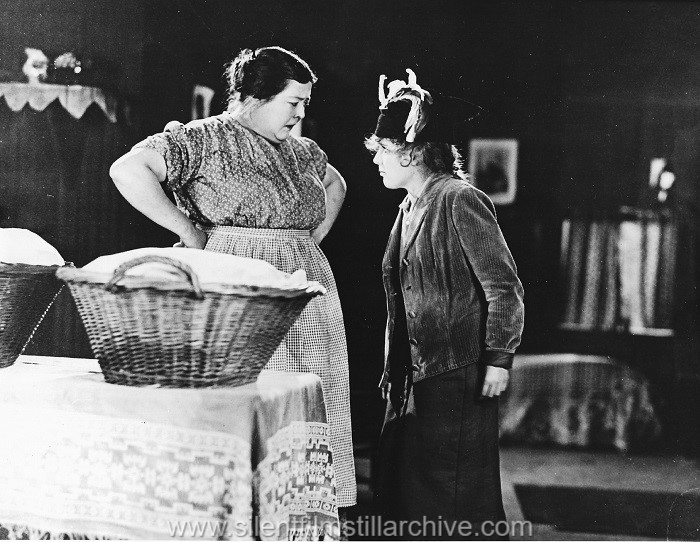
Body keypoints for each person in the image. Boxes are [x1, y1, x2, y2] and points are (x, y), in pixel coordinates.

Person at [109, 46, 356, 513]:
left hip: (307, 302)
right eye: (293, 102)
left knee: (307, 402)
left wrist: (306, 241)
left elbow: (335, 183)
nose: (301, 112)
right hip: (236, 293)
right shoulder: (205, 139)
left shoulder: (303, 152)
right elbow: (128, 169)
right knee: (247, 403)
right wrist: (185, 229)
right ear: (254, 98)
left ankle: (300, 518)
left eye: (305, 102)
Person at [366, 69, 525, 540]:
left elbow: (503, 286)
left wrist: (498, 359)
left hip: (455, 374)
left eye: (383, 152)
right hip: (411, 375)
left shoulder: (458, 199)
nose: (376, 161)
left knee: (451, 496)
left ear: (413, 152)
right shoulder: (408, 206)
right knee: (409, 494)